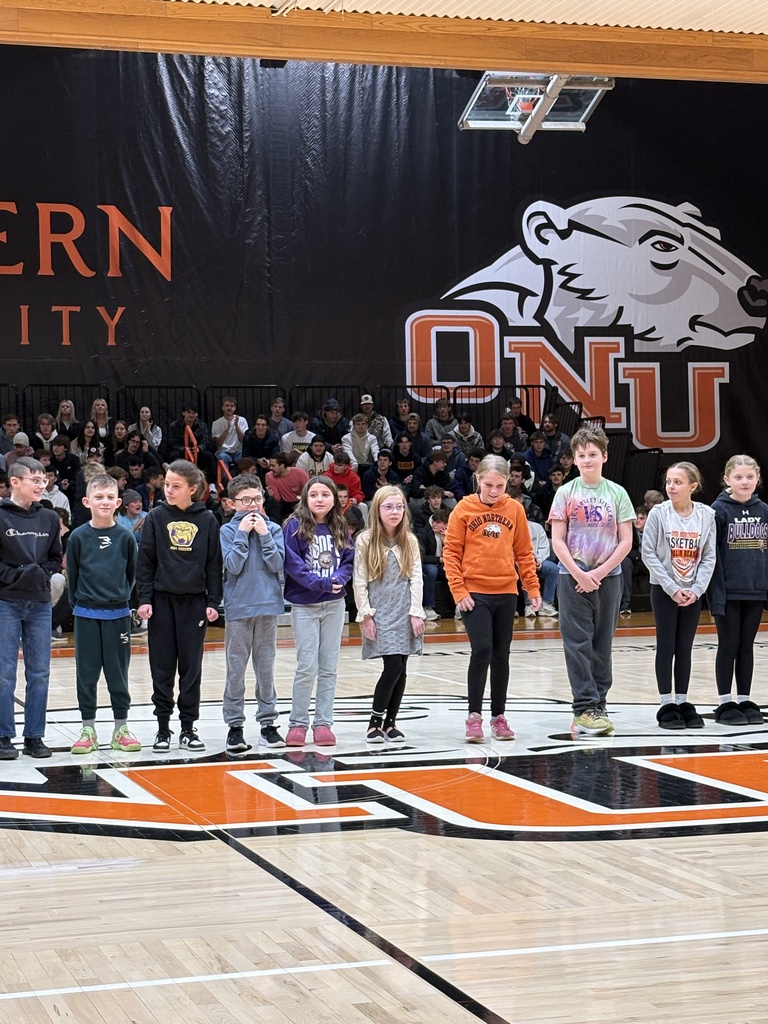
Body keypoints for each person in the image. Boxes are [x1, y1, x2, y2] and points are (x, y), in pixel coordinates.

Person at [443, 455, 541, 742]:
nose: (495, 491)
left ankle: (499, 717)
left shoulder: (515, 510)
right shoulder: (463, 509)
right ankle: (474, 716)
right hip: (475, 592)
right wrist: (459, 591)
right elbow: (450, 553)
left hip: (507, 591)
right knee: (482, 650)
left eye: (500, 486)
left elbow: (524, 553)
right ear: (478, 481)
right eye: (489, 485)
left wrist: (532, 589)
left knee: (502, 655)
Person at [549, 426, 635, 737]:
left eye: (592, 454)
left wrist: (597, 574)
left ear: (604, 456)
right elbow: (557, 541)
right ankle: (584, 707)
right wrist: (579, 574)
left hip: (608, 578)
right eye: (581, 455)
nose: (587, 459)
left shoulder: (617, 493)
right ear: (574, 459)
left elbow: (625, 541)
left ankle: (599, 703)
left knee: (603, 644)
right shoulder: (565, 492)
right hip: (571, 578)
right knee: (577, 644)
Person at [136, 460, 223, 752]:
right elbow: (145, 561)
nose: (169, 490)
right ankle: (163, 729)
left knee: (191, 669)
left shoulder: (208, 519)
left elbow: (214, 563)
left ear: (193, 489)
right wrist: (144, 599)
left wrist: (213, 601)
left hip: (194, 603)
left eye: (176, 486)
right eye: (167, 484)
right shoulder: (157, 517)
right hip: (161, 602)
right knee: (161, 667)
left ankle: (188, 727)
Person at [67, 474, 141, 755]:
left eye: (110, 497)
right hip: (86, 614)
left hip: (117, 615)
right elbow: (72, 577)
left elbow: (131, 575)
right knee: (86, 674)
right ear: (87, 501)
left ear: (118, 502)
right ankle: (88, 729)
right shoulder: (78, 537)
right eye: (98, 497)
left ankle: (120, 729)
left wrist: (119, 598)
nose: (105, 502)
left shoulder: (125, 536)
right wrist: (82, 604)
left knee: (117, 675)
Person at [641, 462, 716, 729]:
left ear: (692, 487)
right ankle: (665, 703)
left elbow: (709, 557)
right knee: (666, 645)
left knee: (684, 647)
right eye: (669, 482)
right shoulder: (659, 514)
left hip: (692, 593)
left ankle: (682, 700)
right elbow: (648, 553)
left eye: (677, 482)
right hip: (664, 590)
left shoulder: (707, 515)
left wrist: (696, 590)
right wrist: (673, 589)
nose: (671, 487)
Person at [282, 476, 354, 747]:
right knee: (306, 666)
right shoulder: (293, 526)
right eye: (314, 495)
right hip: (305, 605)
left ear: (334, 499)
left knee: (329, 666)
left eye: (326, 494)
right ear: (305, 498)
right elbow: (294, 565)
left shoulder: (340, 526)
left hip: (334, 605)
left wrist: (341, 579)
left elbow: (349, 559)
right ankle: (298, 723)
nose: (320, 499)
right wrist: (322, 583)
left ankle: (323, 722)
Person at [0, 457, 62, 759]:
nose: (41, 484)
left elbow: (54, 558)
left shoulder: (49, 518)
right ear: (15, 482)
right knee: (4, 673)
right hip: (5, 602)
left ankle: (34, 735)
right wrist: (14, 574)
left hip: (39, 603)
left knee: (40, 673)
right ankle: (3, 736)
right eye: (34, 479)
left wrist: (42, 573)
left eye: (43, 479)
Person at [220, 474, 286, 753]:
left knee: (266, 668)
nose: (252, 506)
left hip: (268, 605)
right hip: (238, 608)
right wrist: (242, 534)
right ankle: (235, 726)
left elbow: (278, 563)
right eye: (245, 500)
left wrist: (264, 535)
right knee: (236, 669)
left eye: (257, 499)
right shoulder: (225, 531)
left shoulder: (272, 528)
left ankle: (268, 724)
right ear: (232, 504)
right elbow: (232, 565)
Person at [354, 486, 425, 743]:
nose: (394, 512)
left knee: (402, 668)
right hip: (380, 611)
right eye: (388, 507)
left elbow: (416, 579)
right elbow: (359, 582)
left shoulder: (410, 540)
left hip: (405, 611)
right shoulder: (365, 540)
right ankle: (374, 722)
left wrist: (416, 612)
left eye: (399, 507)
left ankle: (390, 723)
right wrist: (366, 615)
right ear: (377, 510)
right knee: (392, 667)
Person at [707, 454, 768, 726]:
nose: (745, 482)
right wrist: (715, 594)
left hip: (755, 591)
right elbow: (712, 556)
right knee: (728, 645)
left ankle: (744, 698)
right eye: (739, 477)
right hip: (728, 592)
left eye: (750, 477)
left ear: (757, 479)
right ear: (727, 479)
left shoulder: (764, 511)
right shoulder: (718, 511)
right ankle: (724, 702)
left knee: (747, 647)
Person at [417, 506, 450, 621]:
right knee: (431, 570)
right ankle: (428, 607)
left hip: (442, 564)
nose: (434, 524)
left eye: (438, 522)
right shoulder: (423, 533)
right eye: (434, 522)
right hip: (426, 565)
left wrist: (446, 541)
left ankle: (458, 606)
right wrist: (439, 560)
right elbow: (420, 557)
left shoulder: (450, 535)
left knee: (452, 569)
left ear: (446, 525)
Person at [265, 454, 308, 522]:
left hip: (301, 503)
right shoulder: (269, 476)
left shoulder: (299, 473)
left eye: (273, 466)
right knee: (272, 500)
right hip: (283, 505)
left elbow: (309, 490)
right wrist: (272, 495)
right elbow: (277, 498)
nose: (270, 468)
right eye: (270, 465)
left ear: (282, 465)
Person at [212, 396, 249, 471]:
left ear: (235, 408)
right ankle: (226, 481)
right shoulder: (216, 423)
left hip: (239, 451)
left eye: (232, 406)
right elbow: (218, 443)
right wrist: (227, 429)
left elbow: (244, 440)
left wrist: (237, 426)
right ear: (222, 407)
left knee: (245, 457)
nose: (229, 408)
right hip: (224, 452)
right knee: (221, 457)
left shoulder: (242, 420)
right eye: (227, 406)